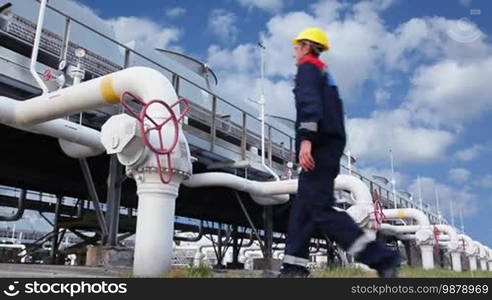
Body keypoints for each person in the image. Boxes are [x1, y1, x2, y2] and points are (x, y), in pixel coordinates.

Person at [279, 27, 400, 278]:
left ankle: (382, 259)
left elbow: (309, 104)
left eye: (296, 47)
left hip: (319, 148)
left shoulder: (309, 68)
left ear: (306, 46)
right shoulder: (325, 74)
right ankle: (294, 268)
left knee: (320, 209)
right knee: (304, 206)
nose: (294, 52)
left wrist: (306, 141)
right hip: (329, 146)